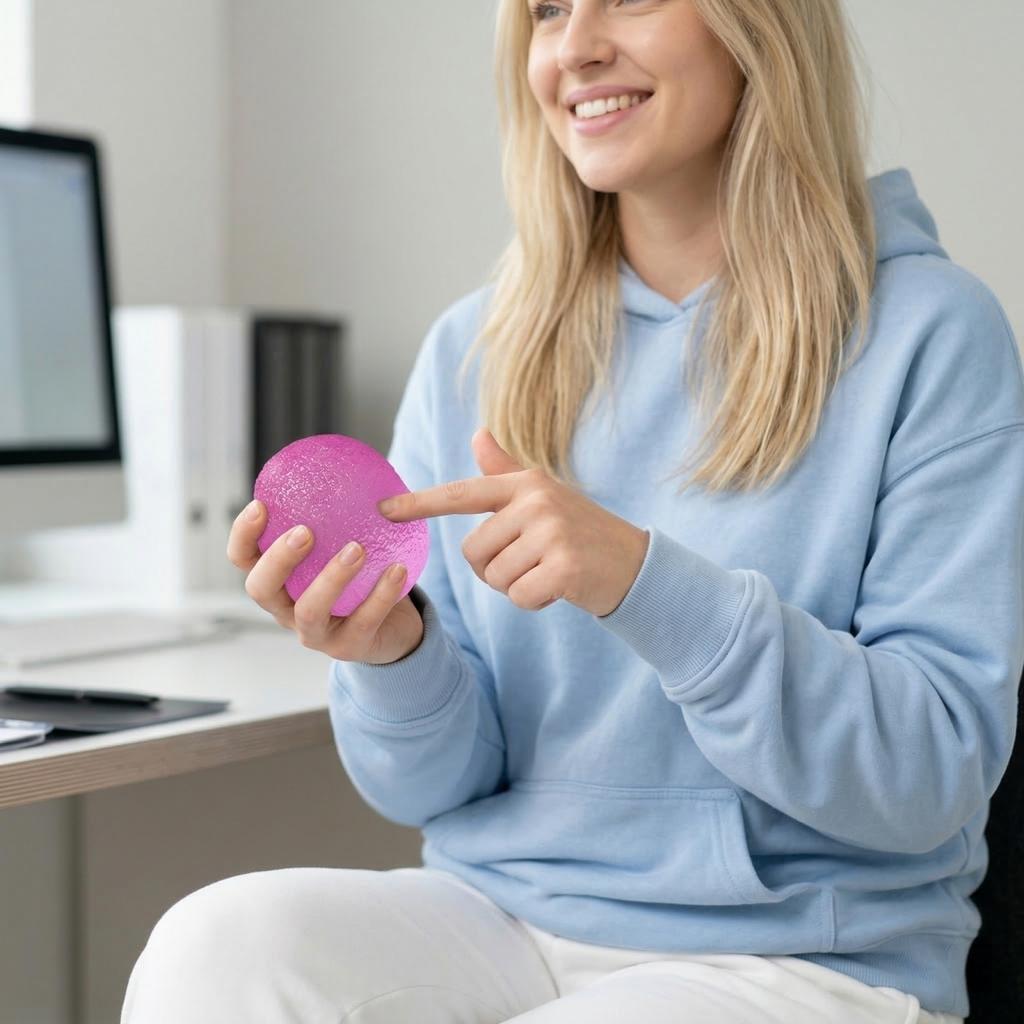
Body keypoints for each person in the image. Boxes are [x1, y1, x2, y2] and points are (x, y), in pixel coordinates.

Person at [122, 0, 1023, 1021]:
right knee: (218, 947)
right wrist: (393, 659)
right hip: (503, 911)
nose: (577, 43)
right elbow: (423, 791)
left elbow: (929, 777)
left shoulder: (931, 334)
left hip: (802, 953)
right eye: (547, 10)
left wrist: (642, 582)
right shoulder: (477, 347)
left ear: (758, 26)